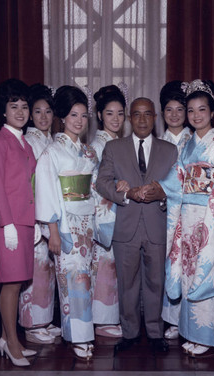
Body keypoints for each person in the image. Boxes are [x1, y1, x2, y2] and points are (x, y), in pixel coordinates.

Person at [157, 79, 214, 356]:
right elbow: (177, 179)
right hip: (187, 215)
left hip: (209, 214)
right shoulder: (188, 145)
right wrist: (156, 189)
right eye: (192, 110)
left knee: (206, 273)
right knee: (188, 272)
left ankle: (206, 337)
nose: (196, 116)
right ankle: (190, 331)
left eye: (202, 110)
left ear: (212, 112)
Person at [96, 97, 178, 353]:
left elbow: (178, 186)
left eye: (147, 114)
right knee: (127, 282)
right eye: (136, 114)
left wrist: (163, 194)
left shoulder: (170, 150)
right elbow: (102, 182)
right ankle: (129, 333)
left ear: (155, 118)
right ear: (130, 119)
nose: (142, 119)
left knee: (156, 281)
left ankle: (155, 333)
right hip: (126, 224)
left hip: (157, 223)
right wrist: (126, 194)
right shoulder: (113, 147)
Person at [35, 85, 109, 360]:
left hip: (87, 221)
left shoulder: (89, 152)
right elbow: (46, 192)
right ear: (62, 118)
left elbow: (98, 189)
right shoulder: (52, 152)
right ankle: (78, 337)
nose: (79, 121)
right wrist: (53, 231)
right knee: (71, 280)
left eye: (83, 115)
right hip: (65, 223)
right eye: (72, 115)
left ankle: (84, 333)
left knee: (86, 279)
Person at [0, 78, 37, 367]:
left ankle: (7, 338)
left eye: (24, 106)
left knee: (18, 281)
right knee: (11, 284)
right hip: (9, 224)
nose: (20, 111)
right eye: (13, 106)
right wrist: (7, 226)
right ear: (3, 111)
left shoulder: (23, 141)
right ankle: (12, 344)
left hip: (25, 221)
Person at [18, 84, 61, 344]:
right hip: (34, 213)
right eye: (37, 111)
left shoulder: (52, 140)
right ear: (30, 114)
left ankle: (45, 320)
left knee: (48, 270)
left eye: (48, 111)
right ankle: (31, 325)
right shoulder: (27, 141)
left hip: (52, 212)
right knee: (34, 269)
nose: (43, 117)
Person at [89, 85, 127, 338]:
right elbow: (94, 182)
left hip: (120, 211)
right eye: (110, 113)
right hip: (105, 212)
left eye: (120, 113)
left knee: (116, 266)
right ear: (100, 115)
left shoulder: (119, 143)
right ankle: (102, 320)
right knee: (104, 265)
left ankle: (113, 316)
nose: (115, 118)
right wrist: (117, 185)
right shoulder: (97, 145)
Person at [158, 80, 192, 340]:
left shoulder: (195, 141)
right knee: (170, 263)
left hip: (191, 212)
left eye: (180, 109)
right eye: (169, 109)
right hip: (165, 213)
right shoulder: (157, 143)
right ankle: (171, 319)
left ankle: (189, 318)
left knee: (189, 263)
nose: (174, 115)